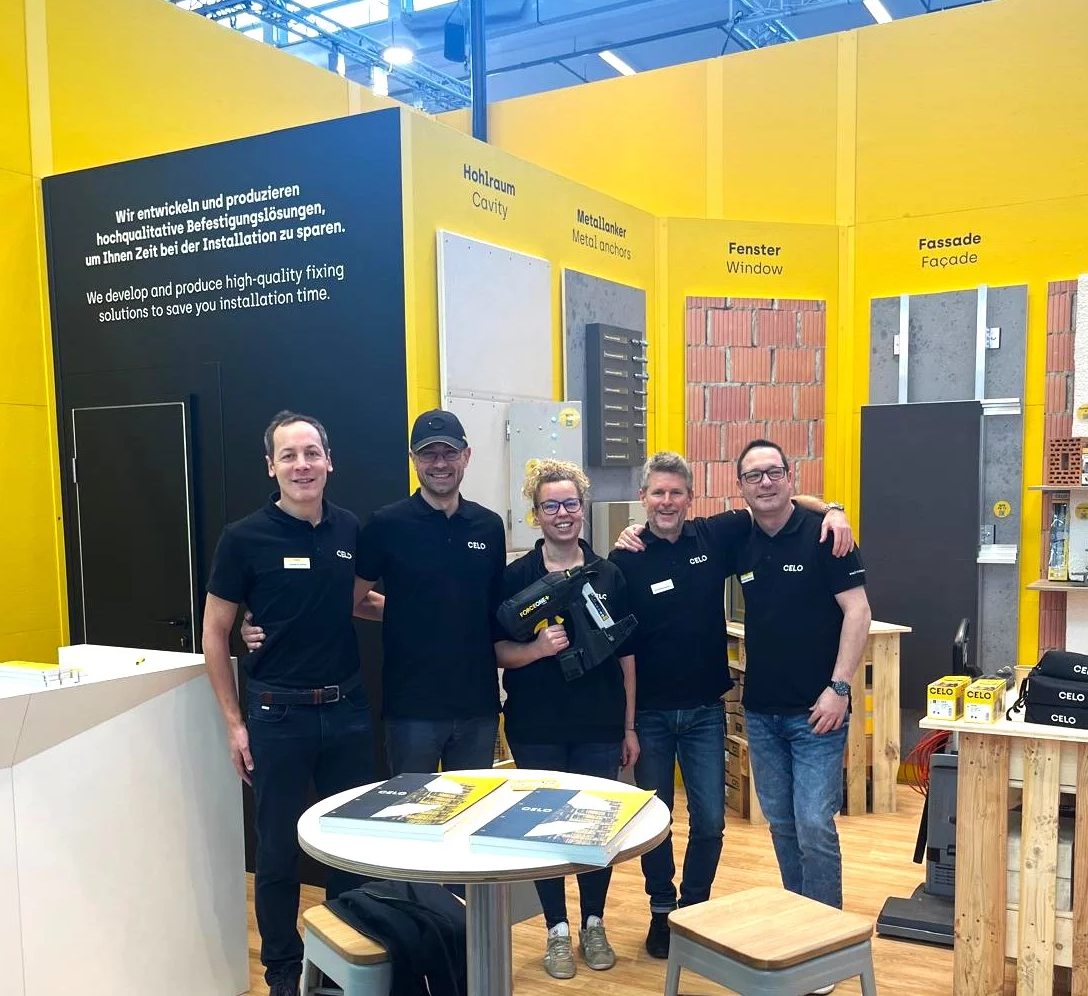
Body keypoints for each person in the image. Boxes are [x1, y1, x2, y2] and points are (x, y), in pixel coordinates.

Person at [609, 451, 852, 959]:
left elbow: (777, 502)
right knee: (655, 821)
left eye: (677, 492)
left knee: (711, 823)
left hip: (704, 711)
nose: (667, 501)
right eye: (658, 492)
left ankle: (694, 908)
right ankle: (662, 910)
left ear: (690, 497)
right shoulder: (625, 558)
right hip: (650, 715)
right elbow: (622, 650)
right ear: (643, 497)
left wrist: (834, 508)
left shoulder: (716, 536)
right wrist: (626, 723)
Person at [201, 411, 377, 996]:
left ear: (329, 460)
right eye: (288, 455)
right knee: (277, 851)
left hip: (347, 711)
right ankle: (282, 971)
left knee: (348, 847)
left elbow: (352, 602)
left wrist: (431, 616)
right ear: (270, 467)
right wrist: (235, 725)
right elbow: (214, 633)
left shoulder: (349, 529)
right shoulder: (243, 538)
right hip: (277, 717)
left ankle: (342, 964)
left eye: (311, 453)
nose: (302, 465)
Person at [493, 459, 638, 980]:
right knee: (546, 829)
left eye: (570, 503)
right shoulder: (515, 578)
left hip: (599, 724)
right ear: (536, 513)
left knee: (595, 827)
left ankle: (593, 923)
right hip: (536, 725)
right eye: (551, 505)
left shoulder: (609, 574)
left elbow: (627, 657)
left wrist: (628, 727)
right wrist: (536, 649)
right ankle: (556, 929)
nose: (562, 513)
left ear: (583, 508)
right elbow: (497, 651)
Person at [735, 437, 870, 996]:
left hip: (819, 712)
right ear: (741, 487)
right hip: (762, 711)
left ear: (791, 477)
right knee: (783, 824)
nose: (765, 482)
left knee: (814, 824)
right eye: (754, 475)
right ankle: (800, 930)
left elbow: (858, 611)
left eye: (774, 472)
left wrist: (839, 687)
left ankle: (828, 946)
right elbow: (673, 527)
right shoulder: (738, 537)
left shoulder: (825, 534)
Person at [352, 409, 505, 774]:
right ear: (413, 459)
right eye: (428, 454)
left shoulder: (489, 526)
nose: (440, 463)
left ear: (466, 455)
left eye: (449, 453)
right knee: (409, 807)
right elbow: (350, 599)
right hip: (412, 711)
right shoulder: (386, 524)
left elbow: (493, 607)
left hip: (478, 707)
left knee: (473, 807)